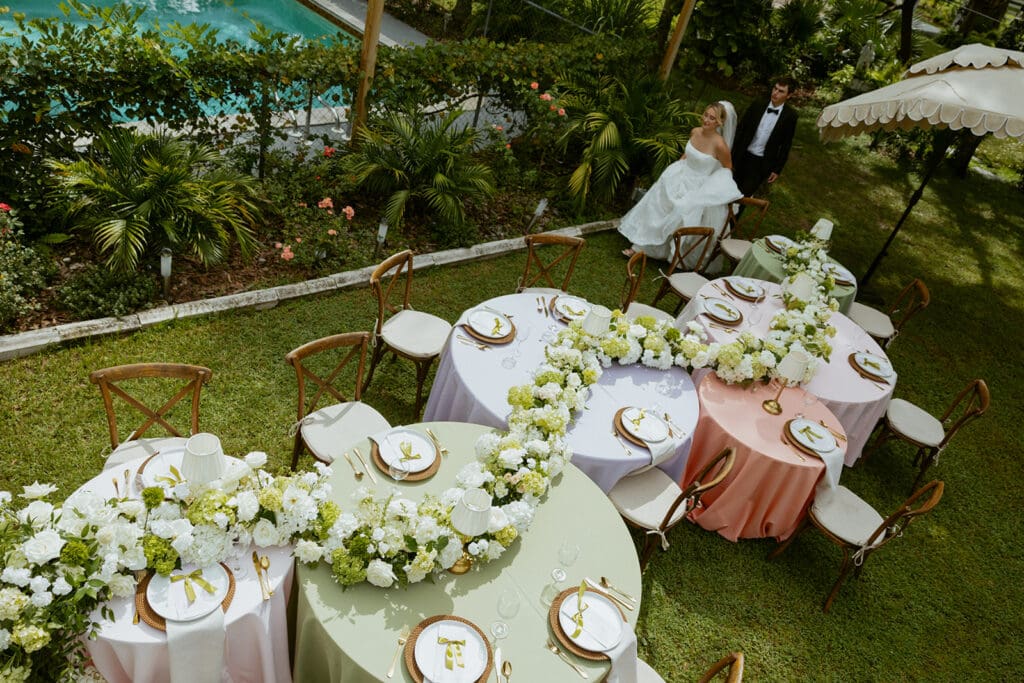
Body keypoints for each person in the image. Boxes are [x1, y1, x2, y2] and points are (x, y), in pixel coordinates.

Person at [618, 101, 743, 264]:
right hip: (679, 175)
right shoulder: (695, 132)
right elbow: (687, 153)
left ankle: (671, 253)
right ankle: (639, 247)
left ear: (719, 122)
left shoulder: (720, 145)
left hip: (698, 185)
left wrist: (712, 188)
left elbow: (726, 169)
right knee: (656, 207)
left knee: (680, 213)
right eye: (706, 115)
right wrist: (676, 168)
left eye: (712, 118)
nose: (706, 120)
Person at [732, 77, 798, 198]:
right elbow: (741, 129)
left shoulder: (790, 116)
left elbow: (786, 144)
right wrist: (732, 152)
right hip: (741, 155)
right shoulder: (758, 104)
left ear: (789, 95)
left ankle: (734, 217)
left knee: (743, 198)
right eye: (775, 88)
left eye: (781, 91)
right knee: (727, 190)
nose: (775, 93)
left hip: (761, 164)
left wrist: (777, 169)